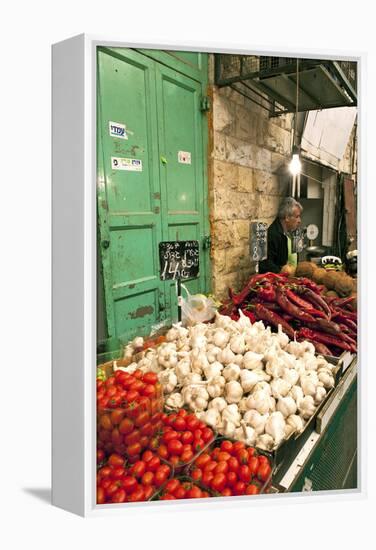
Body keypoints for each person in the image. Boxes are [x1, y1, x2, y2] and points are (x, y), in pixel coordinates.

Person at [259, 196, 303, 274]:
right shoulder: (273, 235)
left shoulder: (285, 232)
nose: (299, 221)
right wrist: (282, 271)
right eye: (297, 217)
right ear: (287, 217)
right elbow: (265, 265)